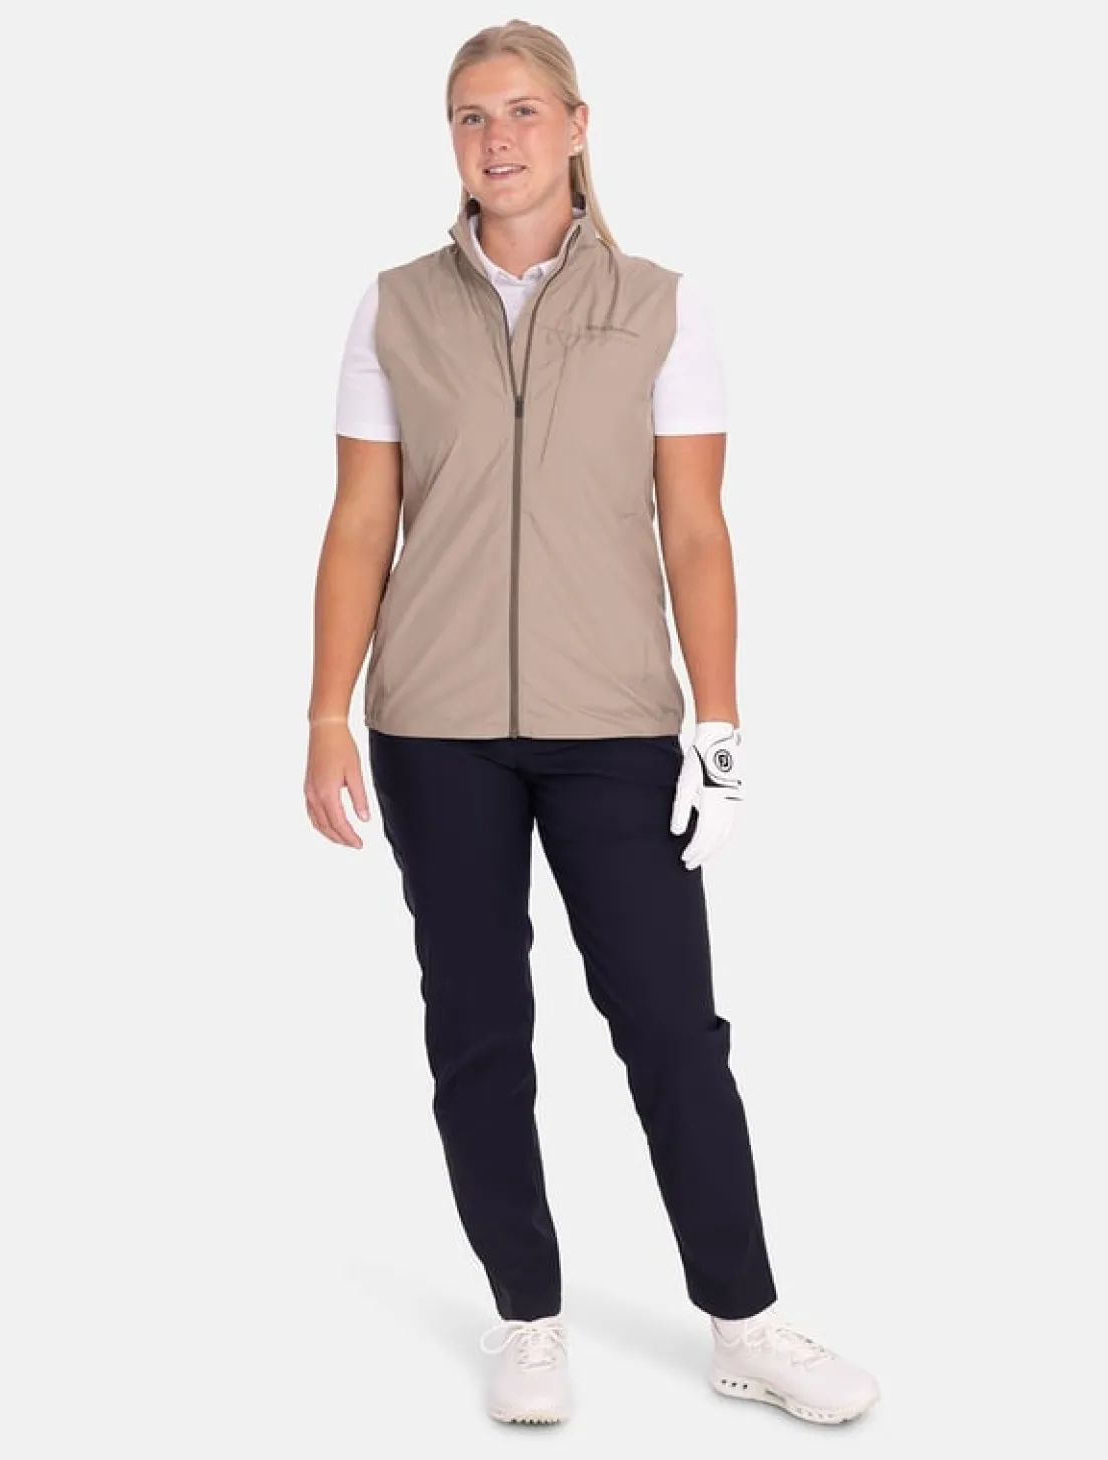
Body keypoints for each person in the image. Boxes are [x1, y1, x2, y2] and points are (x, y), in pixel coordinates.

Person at [304, 17, 880, 1429]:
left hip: (616, 724)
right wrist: (327, 712)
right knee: (477, 1032)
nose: (494, 139)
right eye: (469, 116)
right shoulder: (394, 307)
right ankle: (527, 1317)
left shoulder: (662, 306)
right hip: (434, 729)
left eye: (520, 111)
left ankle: (745, 1319)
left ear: (575, 127)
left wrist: (719, 729)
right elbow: (362, 519)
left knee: (673, 1028)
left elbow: (696, 528)